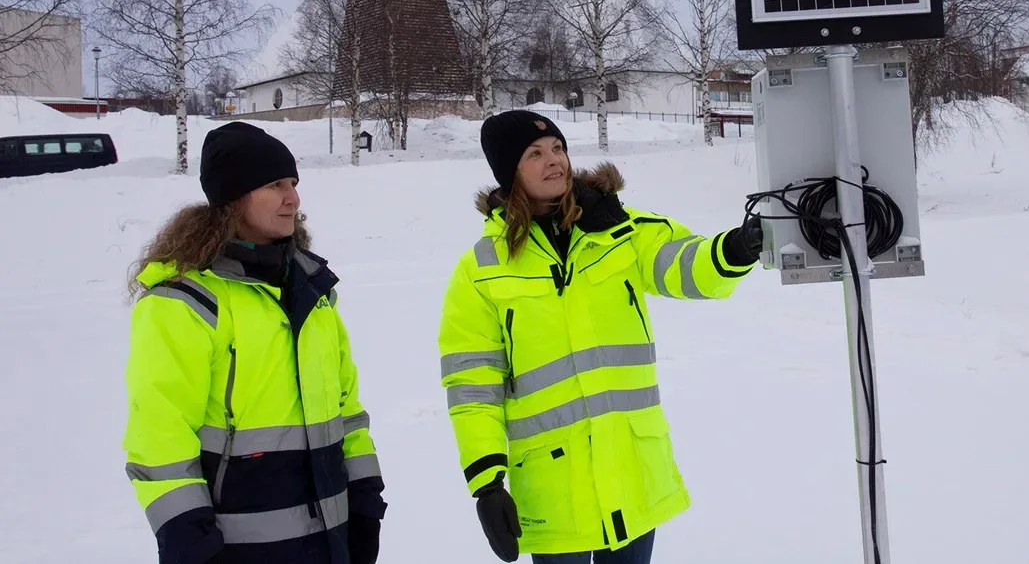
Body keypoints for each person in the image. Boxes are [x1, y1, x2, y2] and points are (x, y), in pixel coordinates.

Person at [438, 110, 763, 563]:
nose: (554, 161)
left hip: (631, 469)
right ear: (509, 173)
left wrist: (733, 248)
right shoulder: (482, 270)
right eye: (534, 154)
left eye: (558, 148)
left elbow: (682, 264)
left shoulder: (621, 230)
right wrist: (486, 481)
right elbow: (472, 386)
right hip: (555, 489)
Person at [122, 122, 387, 564]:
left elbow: (347, 412)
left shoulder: (311, 291)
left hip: (332, 535)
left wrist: (365, 498)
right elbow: (159, 433)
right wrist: (187, 535)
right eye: (275, 185)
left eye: (294, 183)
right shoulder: (184, 301)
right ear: (232, 198)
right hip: (238, 545)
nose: (293, 198)